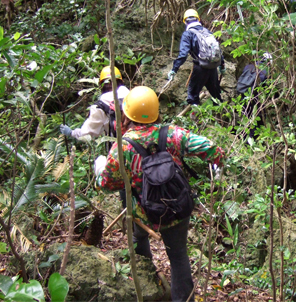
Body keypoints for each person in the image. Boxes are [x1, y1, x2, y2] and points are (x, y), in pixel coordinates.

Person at [95, 86, 225, 302]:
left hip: (143, 211)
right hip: (175, 208)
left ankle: (148, 283)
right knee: (178, 256)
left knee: (138, 236)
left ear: (126, 114)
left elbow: (106, 183)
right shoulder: (172, 134)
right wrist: (218, 167)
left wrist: (100, 168)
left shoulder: (123, 147)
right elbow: (211, 148)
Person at [167, 9, 225, 108]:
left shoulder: (188, 34)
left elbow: (183, 54)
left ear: (185, 21)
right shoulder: (207, 32)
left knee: (193, 97)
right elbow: (217, 49)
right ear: (198, 19)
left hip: (200, 68)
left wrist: (174, 70)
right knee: (216, 95)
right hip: (212, 67)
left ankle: (195, 120)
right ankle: (222, 118)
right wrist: (222, 66)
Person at [60, 66, 130, 141]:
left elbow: (87, 134)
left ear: (102, 86)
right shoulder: (132, 96)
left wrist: (71, 132)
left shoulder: (100, 106)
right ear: (120, 81)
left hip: (119, 148)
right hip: (140, 144)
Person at [237, 53, 271, 139]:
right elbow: (266, 89)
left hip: (243, 93)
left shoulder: (249, 66)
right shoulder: (265, 71)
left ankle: (243, 137)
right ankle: (253, 139)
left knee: (246, 115)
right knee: (256, 117)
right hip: (255, 96)